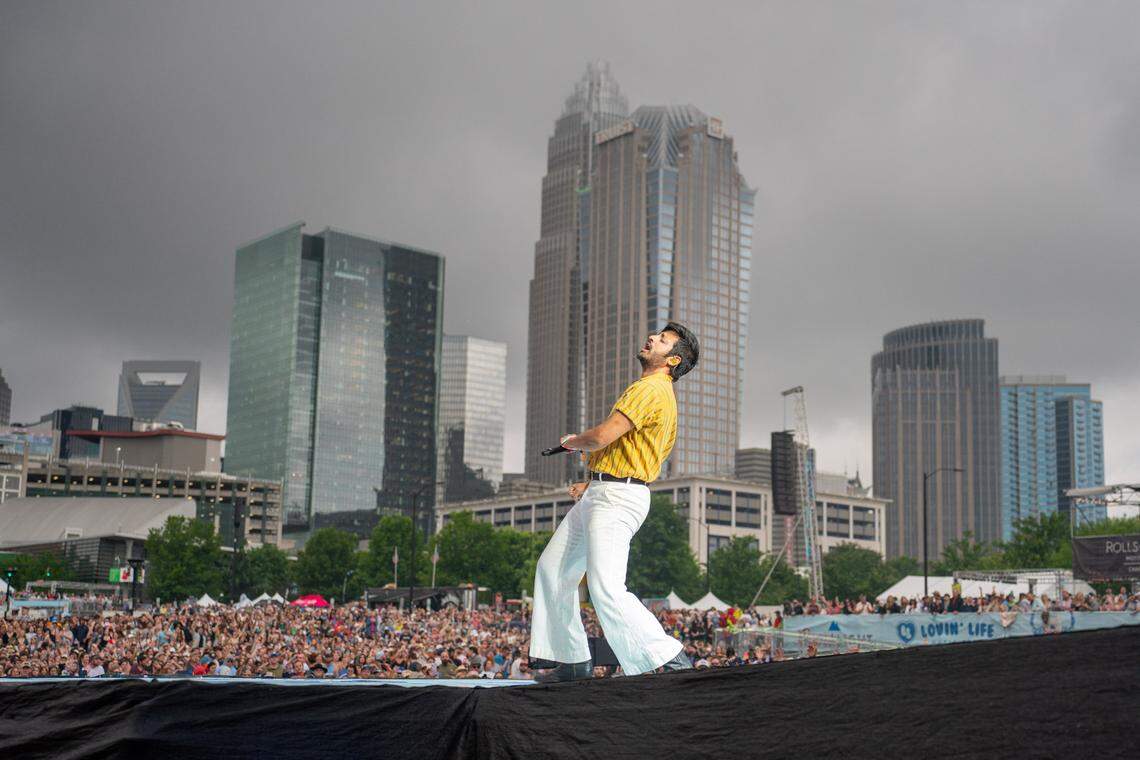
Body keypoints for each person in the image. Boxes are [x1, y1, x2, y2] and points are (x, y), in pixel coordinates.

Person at [529, 323, 699, 682]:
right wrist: (594, 481)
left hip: (617, 496)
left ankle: (667, 658)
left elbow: (604, 435)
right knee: (553, 570)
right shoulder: (660, 394)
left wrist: (574, 441)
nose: (652, 338)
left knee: (606, 587)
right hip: (608, 492)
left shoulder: (651, 389)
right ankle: (573, 660)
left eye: (663, 340)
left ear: (673, 359)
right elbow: (632, 451)